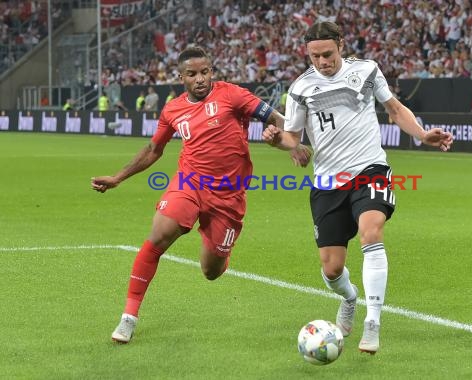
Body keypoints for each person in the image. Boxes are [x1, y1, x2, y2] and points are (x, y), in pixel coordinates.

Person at [91, 46, 311, 344]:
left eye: (205, 72)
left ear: (212, 72)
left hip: (229, 196)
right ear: (181, 77)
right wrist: (118, 177)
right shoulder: (172, 110)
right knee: (158, 237)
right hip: (190, 183)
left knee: (211, 271)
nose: (200, 79)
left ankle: (218, 246)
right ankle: (128, 317)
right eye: (192, 74)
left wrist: (292, 144)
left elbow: (276, 118)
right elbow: (154, 149)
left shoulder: (232, 95)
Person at [262, 22, 453, 355]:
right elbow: (294, 138)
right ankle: (350, 298)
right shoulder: (300, 88)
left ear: (341, 45)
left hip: (370, 169)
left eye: (327, 54)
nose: (322, 61)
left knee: (371, 233)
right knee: (332, 268)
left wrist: (422, 135)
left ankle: (373, 322)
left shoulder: (366, 70)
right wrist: (279, 141)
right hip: (327, 182)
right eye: (315, 56)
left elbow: (394, 109)